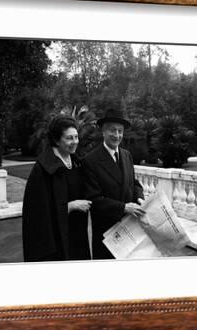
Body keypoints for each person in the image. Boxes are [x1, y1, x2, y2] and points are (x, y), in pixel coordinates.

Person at [22, 116, 92, 262]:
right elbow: (37, 213)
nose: (75, 142)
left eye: (76, 137)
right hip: (56, 239)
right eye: (69, 138)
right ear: (56, 140)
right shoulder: (43, 169)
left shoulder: (76, 162)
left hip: (77, 233)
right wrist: (70, 206)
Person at [82, 109, 145, 259]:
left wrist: (140, 198)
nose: (117, 135)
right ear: (103, 131)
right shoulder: (90, 161)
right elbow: (94, 200)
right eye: (112, 130)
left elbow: (134, 183)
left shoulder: (126, 155)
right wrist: (124, 207)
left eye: (120, 131)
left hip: (130, 229)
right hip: (107, 233)